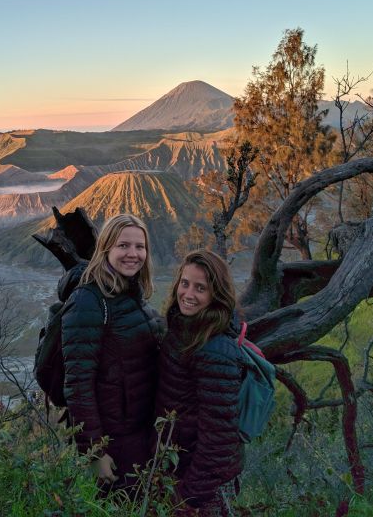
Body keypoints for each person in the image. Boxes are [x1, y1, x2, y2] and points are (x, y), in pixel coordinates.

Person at [59, 213, 162, 492]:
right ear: (105, 249)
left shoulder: (133, 295)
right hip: (114, 442)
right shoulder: (88, 302)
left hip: (141, 434)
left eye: (139, 247)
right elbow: (78, 385)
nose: (133, 254)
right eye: (123, 246)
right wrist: (95, 452)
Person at [156, 249, 244, 516]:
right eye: (185, 284)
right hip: (181, 470)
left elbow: (219, 439)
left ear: (215, 295)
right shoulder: (183, 329)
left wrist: (188, 497)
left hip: (204, 485)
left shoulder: (215, 349)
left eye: (200, 288)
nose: (188, 294)